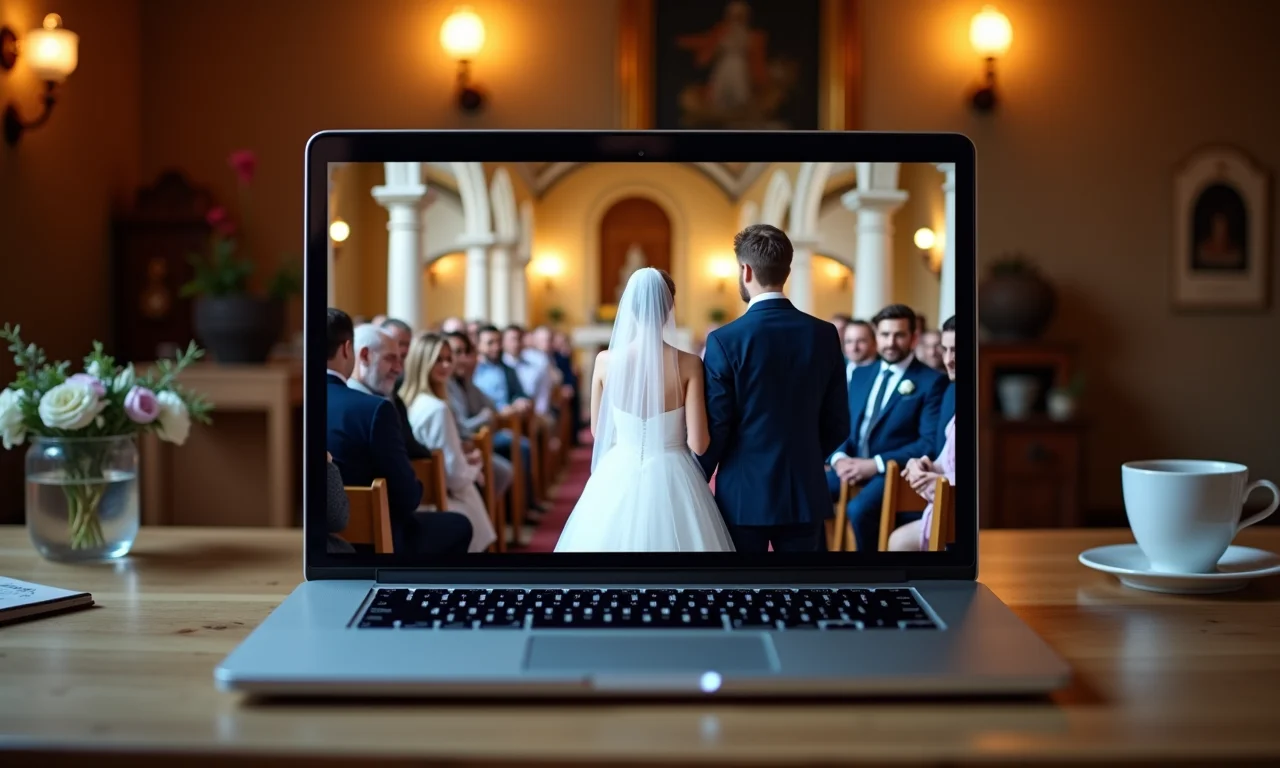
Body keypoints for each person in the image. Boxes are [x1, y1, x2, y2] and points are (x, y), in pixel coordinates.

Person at [556, 268, 733, 552]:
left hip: (617, 468)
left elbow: (598, 431)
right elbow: (699, 444)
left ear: (630, 307)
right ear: (669, 308)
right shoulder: (689, 364)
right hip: (673, 470)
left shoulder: (604, 361)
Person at [696, 225, 850, 553]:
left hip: (742, 495)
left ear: (745, 270)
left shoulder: (725, 340)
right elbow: (838, 422)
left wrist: (697, 475)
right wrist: (805, 456)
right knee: (806, 597)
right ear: (787, 271)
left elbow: (718, 425)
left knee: (740, 597)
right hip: (804, 492)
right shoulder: (824, 334)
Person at [324, 308, 472, 555]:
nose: (399, 367)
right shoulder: (374, 409)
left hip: (317, 544)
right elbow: (407, 497)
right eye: (391, 358)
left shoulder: (299, 405)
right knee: (460, 525)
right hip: (377, 543)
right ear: (348, 349)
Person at [827, 304, 947, 551]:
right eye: (884, 335)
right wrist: (839, 458)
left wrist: (875, 464)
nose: (891, 342)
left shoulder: (931, 382)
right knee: (802, 493)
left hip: (892, 471)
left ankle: (871, 577)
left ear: (914, 338)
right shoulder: (861, 374)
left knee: (859, 510)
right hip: (850, 465)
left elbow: (927, 443)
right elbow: (841, 424)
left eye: (899, 335)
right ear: (876, 336)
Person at [401, 332, 498, 553]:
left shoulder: (410, 400)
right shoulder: (437, 409)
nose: (446, 365)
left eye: (448, 358)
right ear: (422, 363)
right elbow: (454, 477)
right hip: (439, 500)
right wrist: (475, 467)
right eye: (438, 359)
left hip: (425, 495)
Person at [891, 314, 957, 551]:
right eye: (946, 350)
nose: (948, 360)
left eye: (956, 351)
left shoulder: (943, 387)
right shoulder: (953, 394)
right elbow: (945, 460)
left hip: (961, 513)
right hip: (941, 500)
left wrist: (941, 480)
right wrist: (922, 465)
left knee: (896, 540)